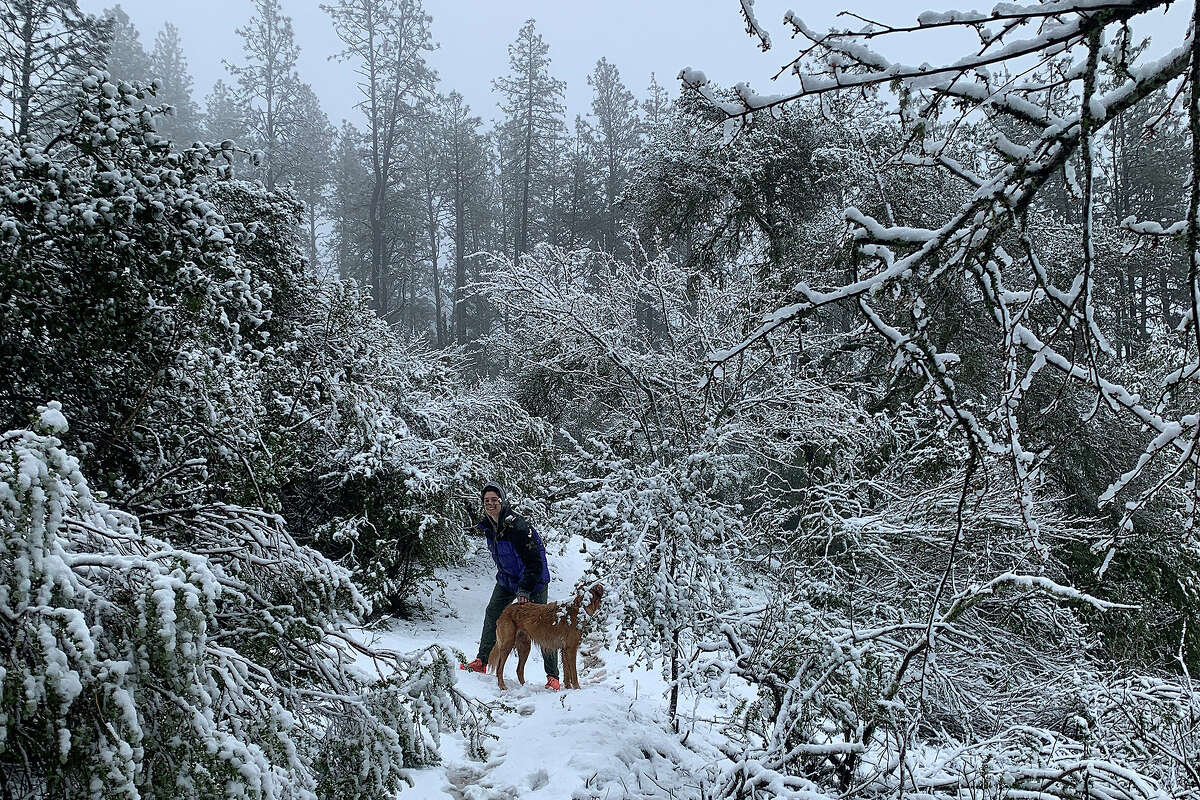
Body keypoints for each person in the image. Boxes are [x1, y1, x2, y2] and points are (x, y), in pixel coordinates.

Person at [461, 482, 562, 691]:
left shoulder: (518, 526)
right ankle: (482, 661)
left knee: (542, 626)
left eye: (494, 500)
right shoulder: (489, 527)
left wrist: (525, 588)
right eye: (486, 501)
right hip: (508, 580)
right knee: (493, 613)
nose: (490, 504)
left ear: (502, 501)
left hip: (534, 581)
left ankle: (553, 677)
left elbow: (535, 561)